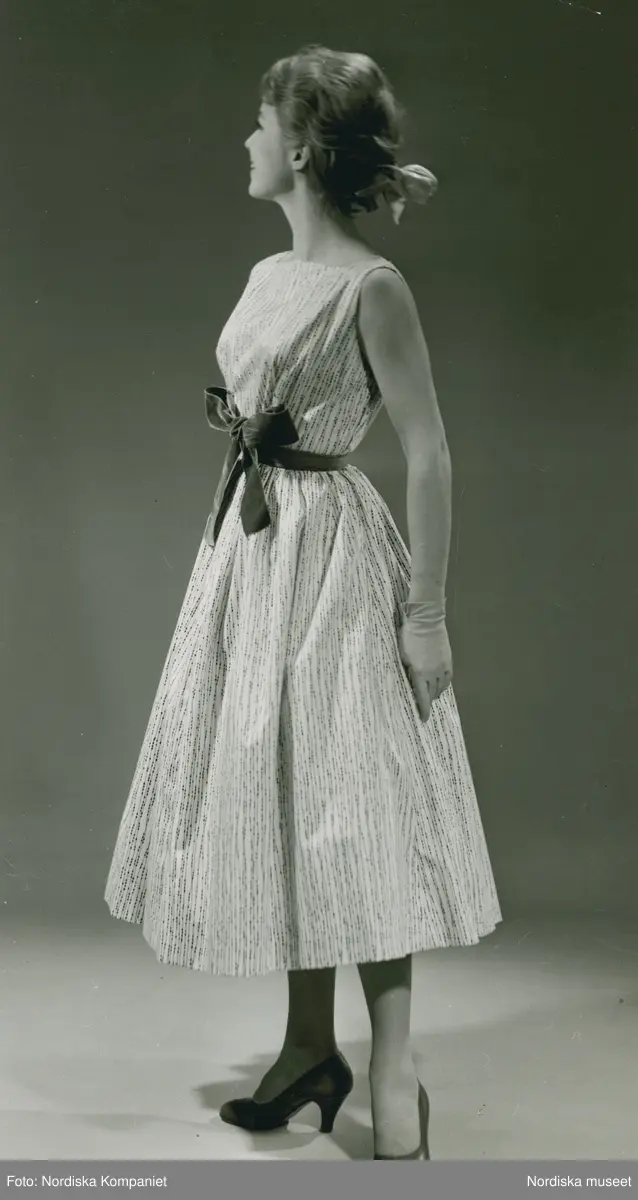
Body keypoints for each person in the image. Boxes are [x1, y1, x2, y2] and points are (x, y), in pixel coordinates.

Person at [104, 43, 502, 1160]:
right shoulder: (265, 274)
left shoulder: (373, 288)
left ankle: (393, 1065)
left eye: (260, 123)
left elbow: (429, 451)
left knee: (351, 799)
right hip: (253, 550)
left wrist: (425, 615)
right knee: (283, 790)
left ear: (303, 148)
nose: (245, 140)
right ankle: (307, 1049)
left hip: (331, 559)